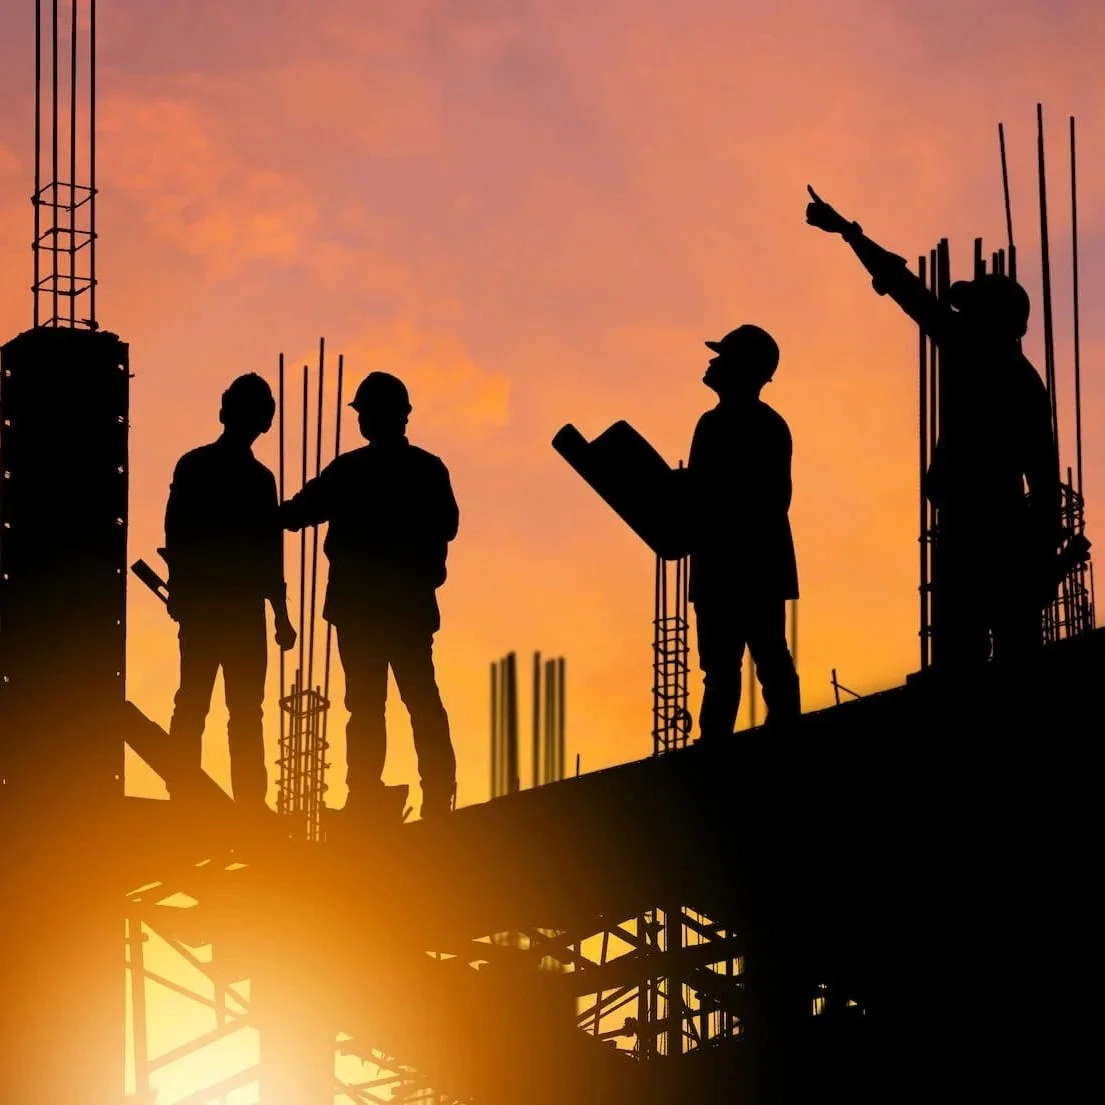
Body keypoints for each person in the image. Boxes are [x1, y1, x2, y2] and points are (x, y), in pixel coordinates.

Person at [805, 185, 1063, 667]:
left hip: (988, 531)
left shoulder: (997, 369)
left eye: (974, 312)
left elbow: (909, 291)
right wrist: (848, 233)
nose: (962, 318)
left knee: (986, 655)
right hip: (984, 528)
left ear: (995, 323)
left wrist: (849, 233)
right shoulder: (1003, 369)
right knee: (978, 652)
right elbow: (908, 290)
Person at [278, 371, 459, 821]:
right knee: (418, 699)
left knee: (367, 706)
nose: (361, 421)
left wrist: (252, 513)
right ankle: (435, 794)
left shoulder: (352, 470)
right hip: (404, 608)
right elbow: (448, 525)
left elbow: (298, 513)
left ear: (379, 416)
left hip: (362, 610)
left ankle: (365, 793)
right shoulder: (427, 469)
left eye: (365, 413)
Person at [164, 373, 297, 807]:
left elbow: (178, 534)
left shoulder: (196, 466)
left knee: (198, 703)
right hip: (237, 612)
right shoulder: (257, 479)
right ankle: (246, 804)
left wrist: (180, 591)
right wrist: (280, 616)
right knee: (239, 712)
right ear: (264, 421)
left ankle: (188, 794)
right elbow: (268, 555)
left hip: (211, 608)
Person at [688, 324, 801, 736]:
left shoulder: (722, 425)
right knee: (749, 661)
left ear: (741, 368)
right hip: (749, 564)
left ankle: (725, 748)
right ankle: (769, 736)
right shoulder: (767, 425)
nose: (712, 362)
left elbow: (755, 499)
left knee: (749, 661)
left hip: (734, 564)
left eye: (723, 356)